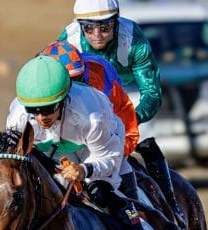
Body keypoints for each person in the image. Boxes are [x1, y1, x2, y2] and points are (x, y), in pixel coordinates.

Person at [7, 56, 169, 230]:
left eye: (48, 109)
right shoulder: (18, 117)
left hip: (98, 151)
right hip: (51, 153)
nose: (41, 117)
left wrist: (84, 170)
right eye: (34, 111)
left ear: (63, 99)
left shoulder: (92, 112)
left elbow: (109, 160)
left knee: (102, 193)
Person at [58, 0, 186, 228]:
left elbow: (152, 94)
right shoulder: (69, 39)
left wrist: (128, 122)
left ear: (116, 23)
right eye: (89, 28)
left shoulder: (133, 39)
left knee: (142, 139)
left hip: (127, 95)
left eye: (105, 28)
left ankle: (171, 205)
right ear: (80, 25)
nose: (97, 34)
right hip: (88, 96)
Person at [39, 40, 140, 197]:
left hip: (101, 140)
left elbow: (124, 120)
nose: (71, 89)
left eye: (76, 80)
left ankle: (135, 215)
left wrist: (119, 155)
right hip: (61, 144)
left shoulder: (99, 84)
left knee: (105, 189)